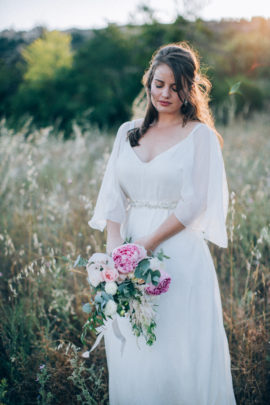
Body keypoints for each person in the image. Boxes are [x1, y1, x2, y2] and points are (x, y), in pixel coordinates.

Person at [88, 42, 237, 405]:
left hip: (178, 257)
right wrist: (116, 258)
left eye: (175, 86)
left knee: (178, 352)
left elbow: (193, 204)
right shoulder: (127, 132)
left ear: (190, 88)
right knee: (136, 354)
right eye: (158, 84)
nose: (165, 93)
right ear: (148, 83)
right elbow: (112, 199)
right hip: (127, 257)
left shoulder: (199, 136)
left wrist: (144, 247)